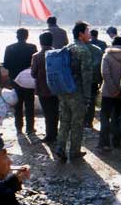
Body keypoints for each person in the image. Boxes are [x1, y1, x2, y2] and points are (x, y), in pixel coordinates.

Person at [54, 21, 94, 162]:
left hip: (64, 90)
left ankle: (60, 147)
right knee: (77, 123)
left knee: (64, 120)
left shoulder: (67, 47)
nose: (89, 34)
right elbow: (87, 76)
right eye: (87, 31)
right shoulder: (84, 50)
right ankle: (74, 151)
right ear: (81, 34)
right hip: (77, 92)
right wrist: (88, 96)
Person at [98, 36, 121, 151]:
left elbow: (105, 74)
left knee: (105, 117)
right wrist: (120, 91)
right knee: (118, 117)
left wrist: (113, 90)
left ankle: (105, 143)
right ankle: (117, 141)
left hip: (108, 93)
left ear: (112, 44)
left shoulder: (107, 56)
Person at [3, 28, 38, 135]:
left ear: (17, 36)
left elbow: (6, 65)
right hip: (29, 80)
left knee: (18, 104)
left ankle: (19, 127)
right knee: (29, 104)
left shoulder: (9, 48)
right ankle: (30, 128)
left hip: (15, 80)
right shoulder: (32, 47)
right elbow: (34, 64)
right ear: (27, 36)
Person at [31, 32, 58, 143]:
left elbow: (33, 74)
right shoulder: (57, 54)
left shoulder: (36, 56)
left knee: (47, 113)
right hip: (57, 88)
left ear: (40, 42)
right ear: (51, 41)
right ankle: (55, 133)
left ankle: (49, 135)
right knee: (55, 112)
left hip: (43, 89)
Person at [84, 41, 103, 129]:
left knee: (81, 100)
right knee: (91, 101)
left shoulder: (75, 48)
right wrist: (100, 80)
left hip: (80, 80)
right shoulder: (97, 50)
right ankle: (89, 122)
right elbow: (100, 66)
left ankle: (82, 122)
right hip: (93, 80)